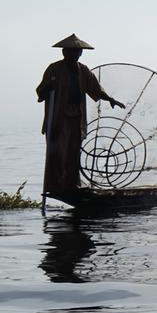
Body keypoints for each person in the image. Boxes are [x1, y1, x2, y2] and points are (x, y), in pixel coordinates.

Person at [36, 33, 125, 196]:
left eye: (78, 52)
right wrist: (49, 87)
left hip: (76, 118)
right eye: (71, 52)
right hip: (58, 118)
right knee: (57, 152)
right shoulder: (54, 69)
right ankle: (55, 185)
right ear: (64, 53)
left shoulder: (82, 70)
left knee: (73, 152)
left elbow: (96, 89)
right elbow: (40, 92)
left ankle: (71, 185)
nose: (75, 55)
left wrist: (110, 99)